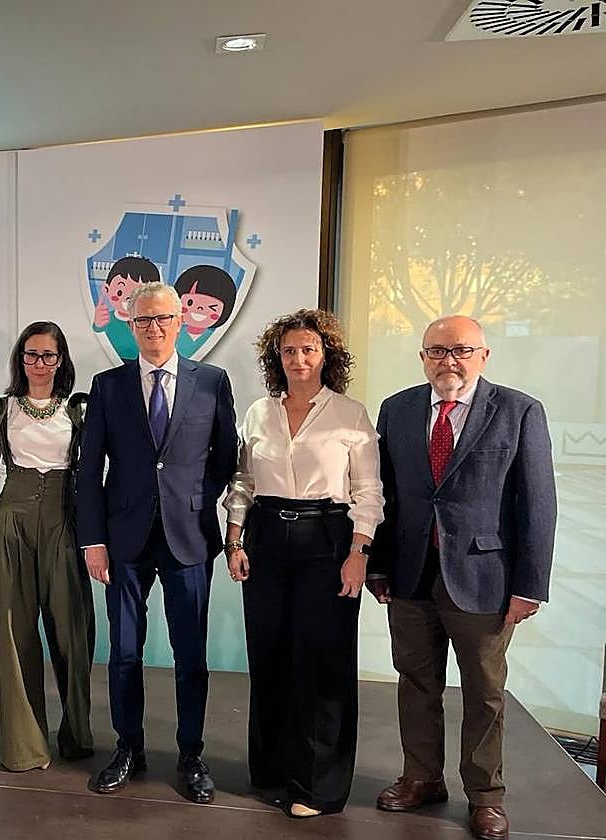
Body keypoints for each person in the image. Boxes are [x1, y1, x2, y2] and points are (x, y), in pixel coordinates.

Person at [368, 315, 556, 840]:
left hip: (485, 577)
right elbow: (385, 493)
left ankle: (486, 796)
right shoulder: (398, 409)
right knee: (416, 681)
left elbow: (537, 503)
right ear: (423, 357)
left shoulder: (519, 411)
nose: (448, 361)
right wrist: (378, 564)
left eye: (461, 351)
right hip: (410, 574)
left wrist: (530, 585)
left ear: (484, 355)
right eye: (437, 351)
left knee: (485, 690)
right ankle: (421, 777)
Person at [77, 281, 238, 803]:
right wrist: (92, 540)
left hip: (188, 537)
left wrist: (193, 500)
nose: (153, 328)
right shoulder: (107, 385)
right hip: (124, 538)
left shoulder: (212, 381)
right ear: (130, 325)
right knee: (124, 652)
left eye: (163, 318)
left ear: (179, 322)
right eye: (143, 320)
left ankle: (191, 753)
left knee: (190, 654)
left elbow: (224, 458)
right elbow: (89, 468)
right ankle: (128, 747)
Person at [222, 309, 384, 817]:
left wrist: (358, 553)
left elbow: (369, 491)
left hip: (328, 540)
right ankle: (273, 772)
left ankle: (317, 788)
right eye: (289, 350)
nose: (298, 359)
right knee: (269, 656)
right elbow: (244, 482)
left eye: (308, 349)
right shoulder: (258, 413)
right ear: (277, 357)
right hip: (267, 537)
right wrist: (234, 540)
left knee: (322, 662)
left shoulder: (350, 414)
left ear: (325, 355)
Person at [0, 321, 95, 772]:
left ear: (61, 359)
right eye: (31, 354)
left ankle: (76, 734)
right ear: (20, 359)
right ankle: (25, 746)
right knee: (16, 632)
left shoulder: (79, 408)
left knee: (71, 629)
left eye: (48, 355)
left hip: (65, 517)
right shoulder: (2, 408)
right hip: (14, 516)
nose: (40, 363)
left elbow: (93, 467)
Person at [92, 256, 161, 361]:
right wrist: (98, 325)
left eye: (137, 294)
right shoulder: (106, 318)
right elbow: (97, 334)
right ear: (106, 289)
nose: (128, 298)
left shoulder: (150, 323)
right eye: (119, 292)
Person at [173, 264, 237, 358]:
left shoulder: (214, 337)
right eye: (190, 303)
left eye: (212, 307)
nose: (200, 309)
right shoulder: (172, 334)